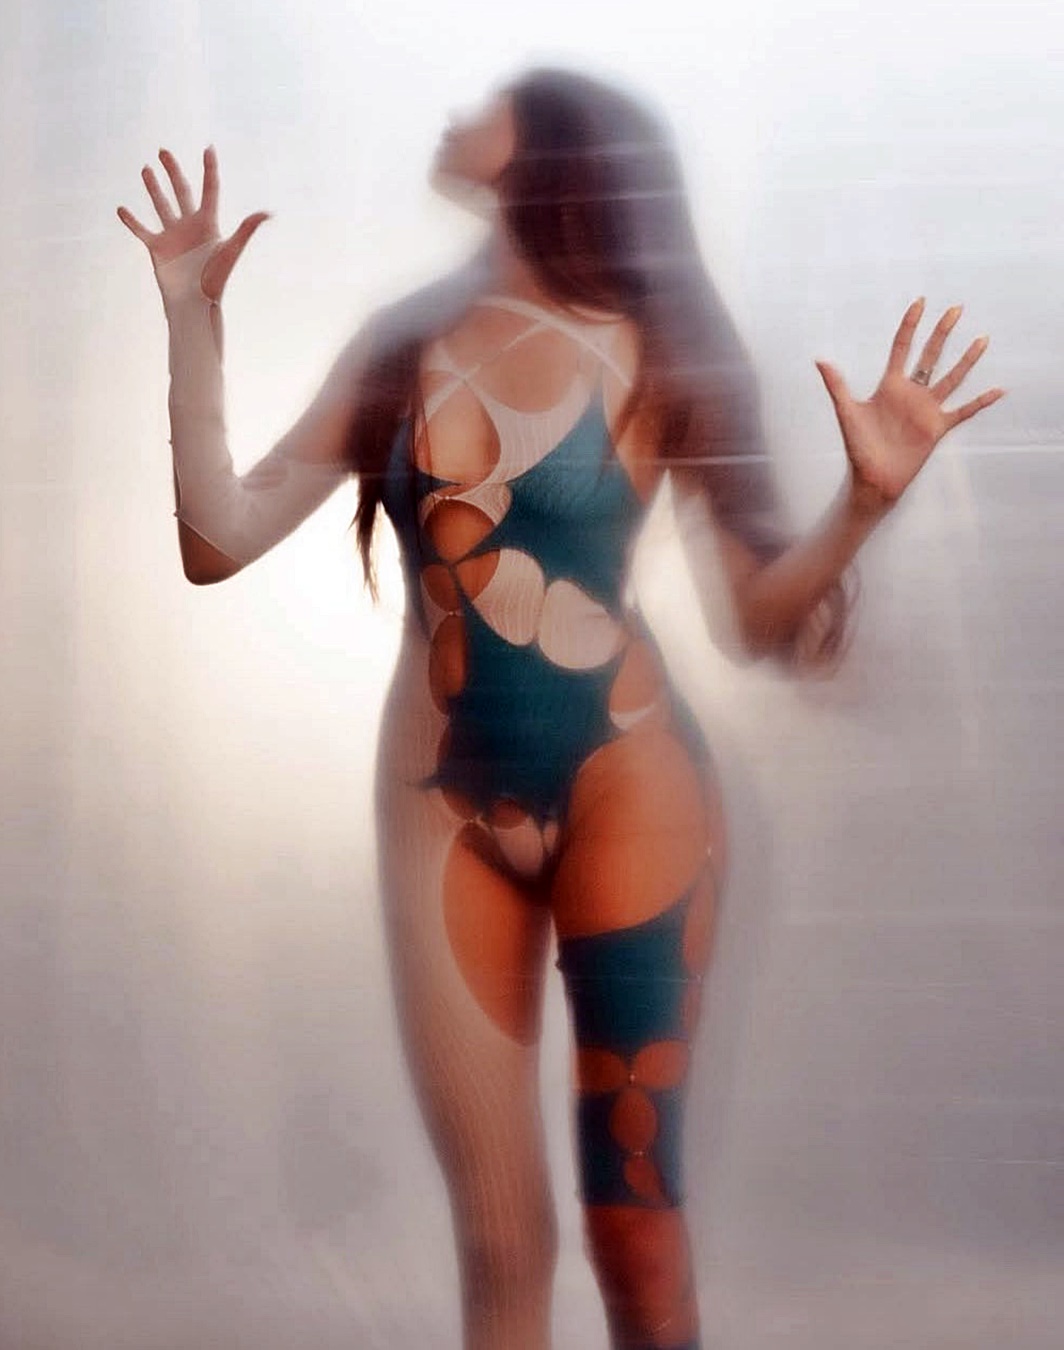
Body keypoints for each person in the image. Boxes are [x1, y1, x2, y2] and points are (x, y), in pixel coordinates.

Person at [118, 67, 1003, 1350]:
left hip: (629, 790)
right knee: (501, 1244)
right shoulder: (398, 345)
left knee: (634, 1232)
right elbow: (217, 539)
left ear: (556, 144)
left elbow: (754, 621)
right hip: (439, 810)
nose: (453, 110)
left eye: (493, 100)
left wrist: (860, 507)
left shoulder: (657, 341)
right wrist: (190, 317)